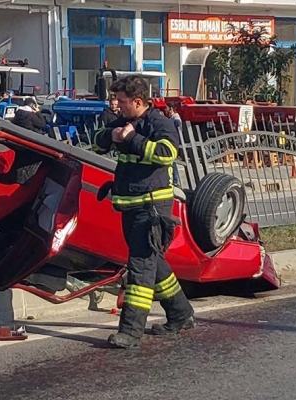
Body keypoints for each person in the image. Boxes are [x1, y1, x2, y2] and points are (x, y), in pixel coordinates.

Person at [91, 75, 196, 349]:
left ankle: (130, 332)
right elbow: (97, 141)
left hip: (151, 208)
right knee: (153, 262)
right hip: (130, 205)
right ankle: (180, 313)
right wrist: (111, 136)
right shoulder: (123, 121)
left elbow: (167, 153)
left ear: (138, 101)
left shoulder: (159, 123)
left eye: (122, 101)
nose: (116, 105)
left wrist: (133, 139)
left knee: (140, 266)